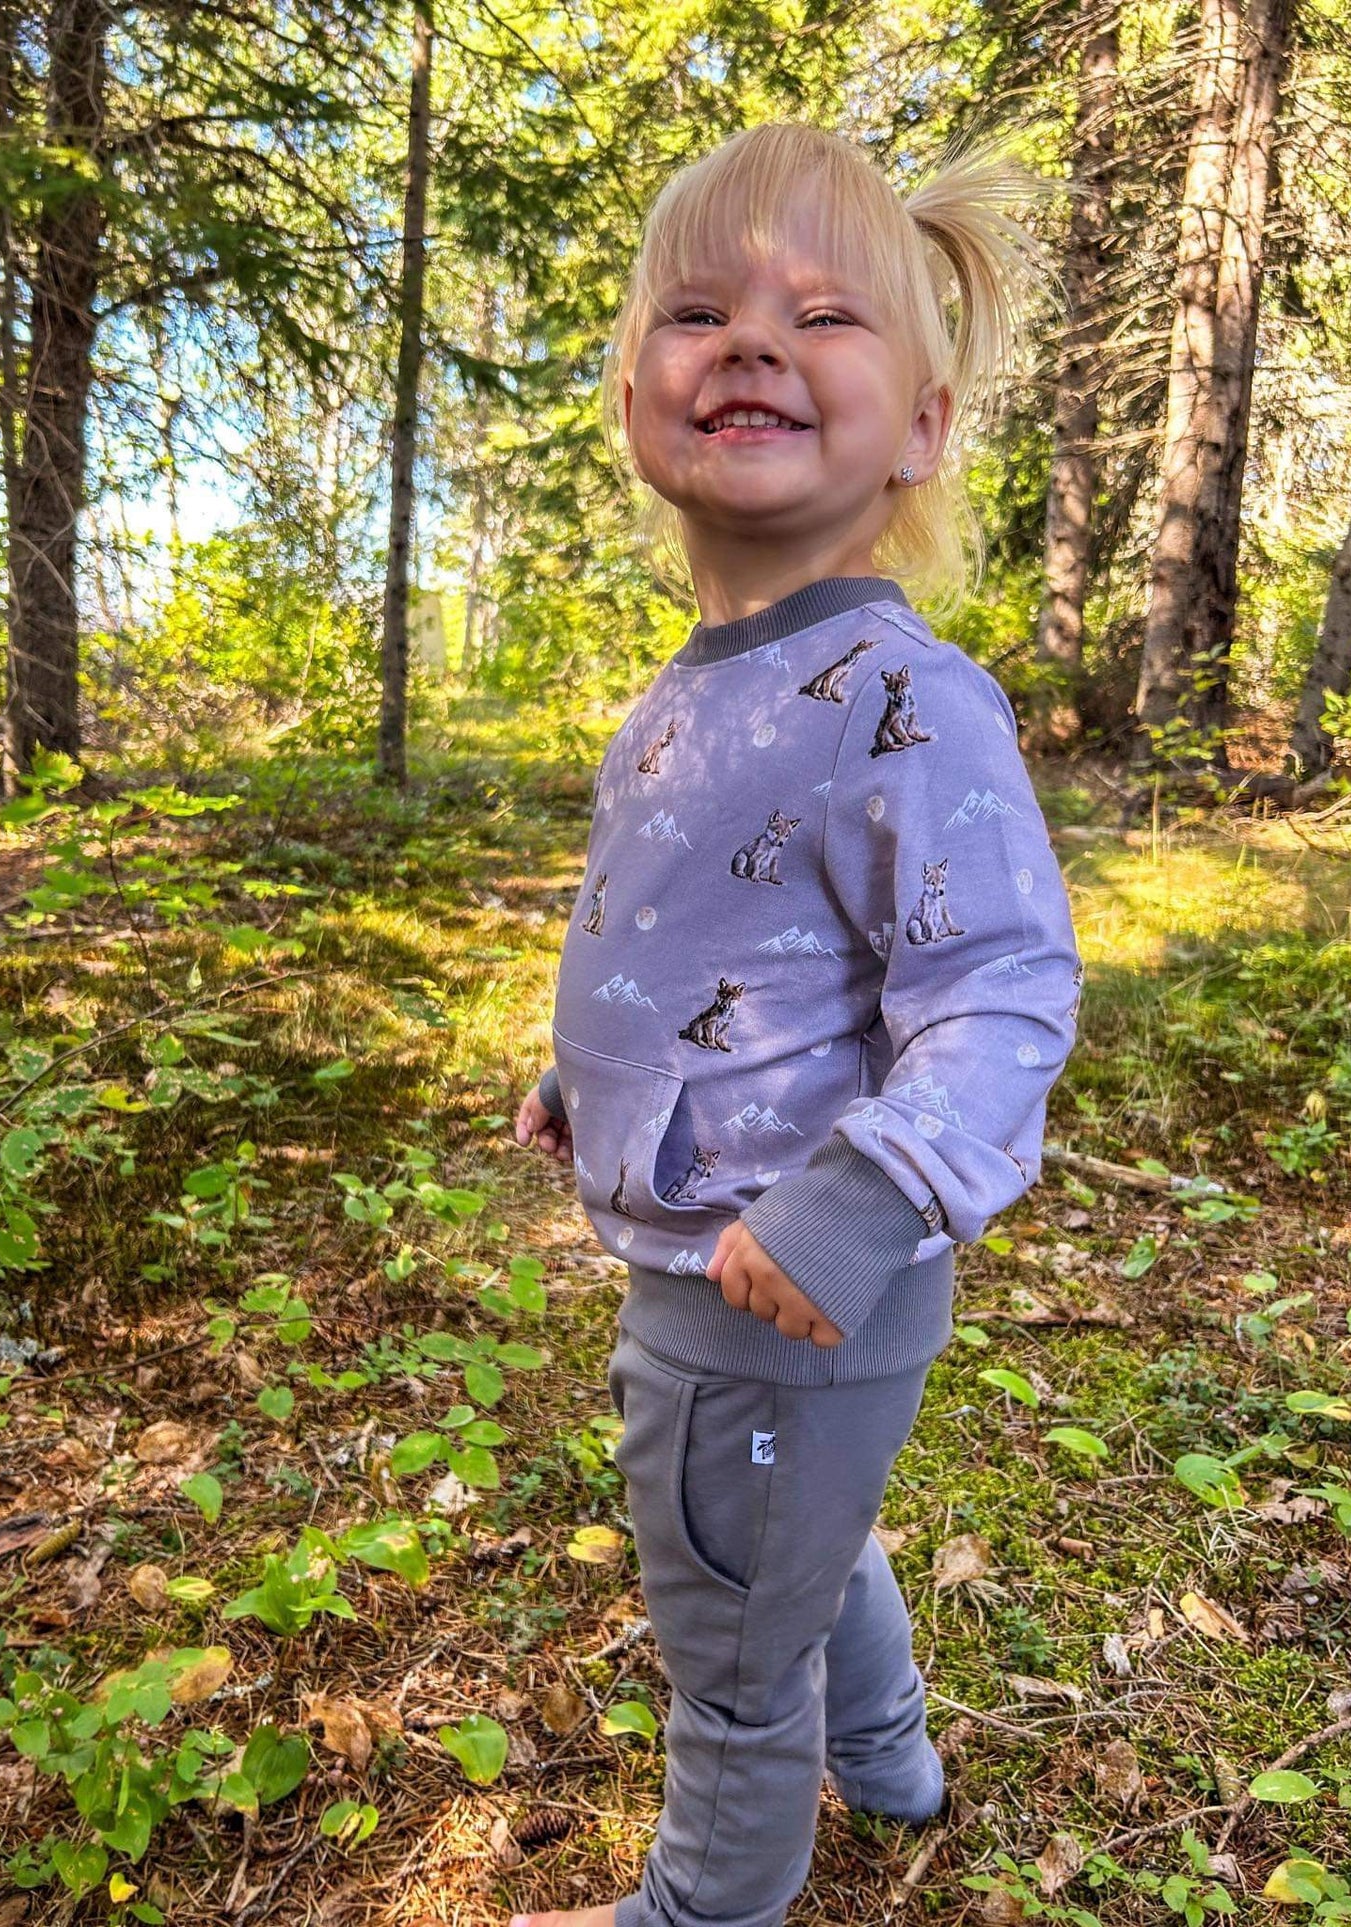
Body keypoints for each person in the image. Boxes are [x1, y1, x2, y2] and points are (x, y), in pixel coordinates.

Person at [510, 120, 1084, 1927]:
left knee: (725, 1618)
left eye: (821, 312)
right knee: (790, 1540)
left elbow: (1001, 986)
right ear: (633, 402)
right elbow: (694, 934)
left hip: (785, 1270)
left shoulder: (906, 701)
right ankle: (893, 1757)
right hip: (718, 1253)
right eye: (700, 307)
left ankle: (710, 1908)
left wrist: (856, 1196)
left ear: (917, 427)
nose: (750, 338)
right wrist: (584, 1077)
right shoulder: (687, 694)